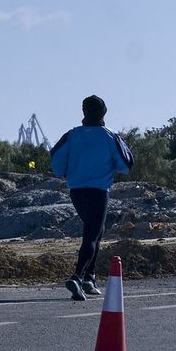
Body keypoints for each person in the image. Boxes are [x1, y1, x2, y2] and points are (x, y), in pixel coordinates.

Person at [48, 95, 133, 300]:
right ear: (104, 112)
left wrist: (68, 171)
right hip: (98, 191)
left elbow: (56, 160)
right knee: (92, 235)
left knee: (95, 230)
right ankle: (77, 277)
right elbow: (126, 163)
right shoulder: (109, 136)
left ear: (83, 111)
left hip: (77, 191)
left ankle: (89, 277)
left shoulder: (72, 135)